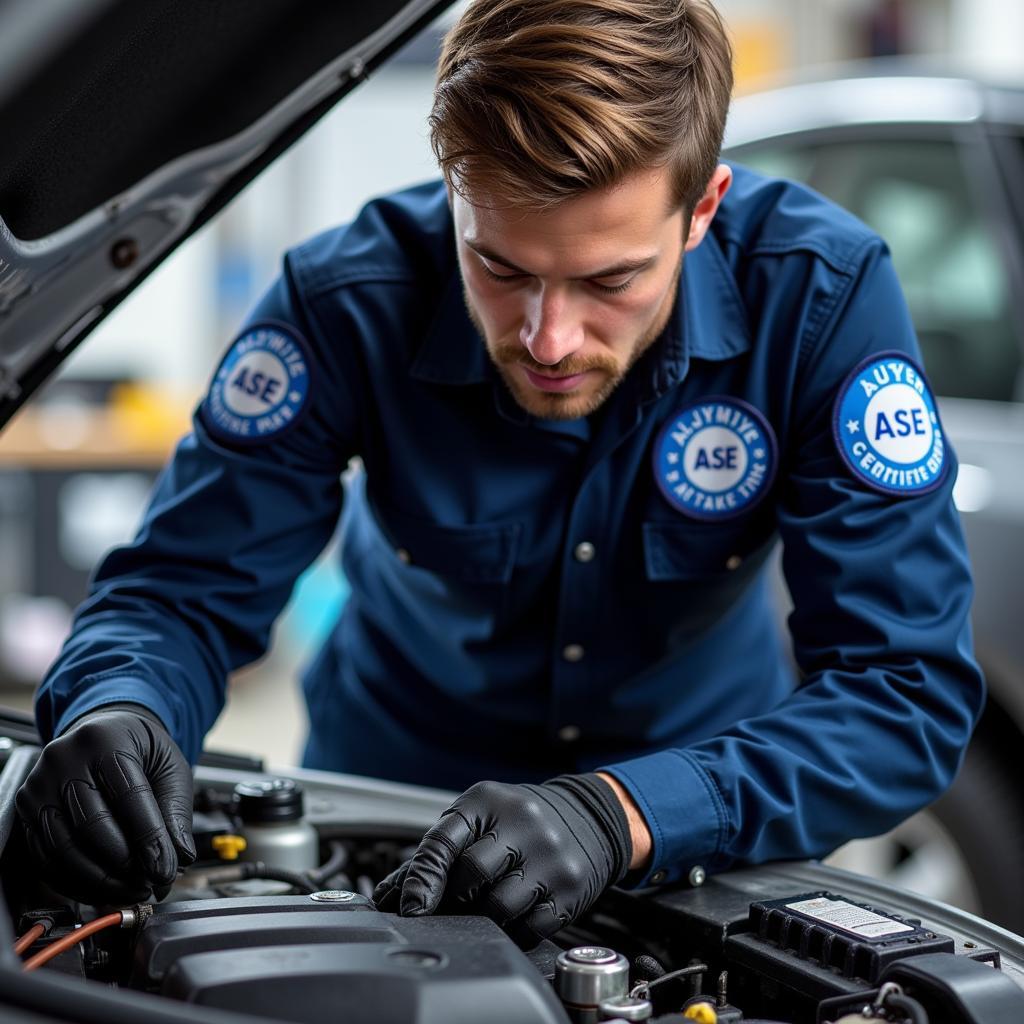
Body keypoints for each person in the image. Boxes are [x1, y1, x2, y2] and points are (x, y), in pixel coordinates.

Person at [16, 0, 982, 950]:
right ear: (453, 189)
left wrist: (623, 814)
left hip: (696, 831)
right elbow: (182, 590)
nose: (548, 339)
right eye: (500, 264)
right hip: (392, 817)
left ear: (703, 211)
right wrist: (120, 704)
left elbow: (902, 690)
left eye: (611, 280)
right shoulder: (347, 300)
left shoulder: (819, 297)